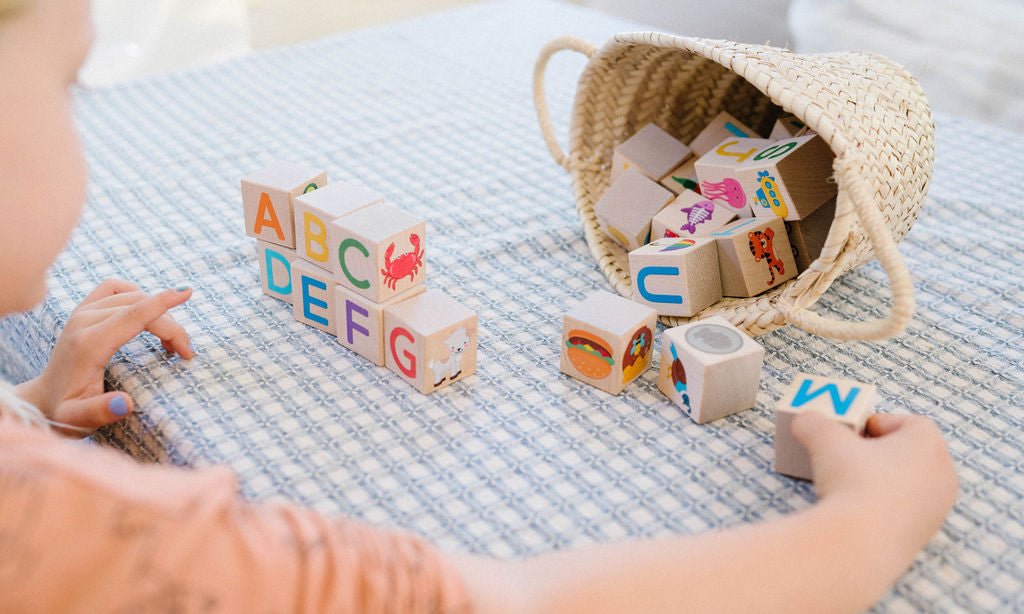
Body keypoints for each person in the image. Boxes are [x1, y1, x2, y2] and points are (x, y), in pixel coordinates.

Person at [0, 0, 958, 611]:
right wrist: (866, 530)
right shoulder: (88, 535)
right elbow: (507, 603)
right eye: (69, 85)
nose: (82, 115)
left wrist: (34, 408)